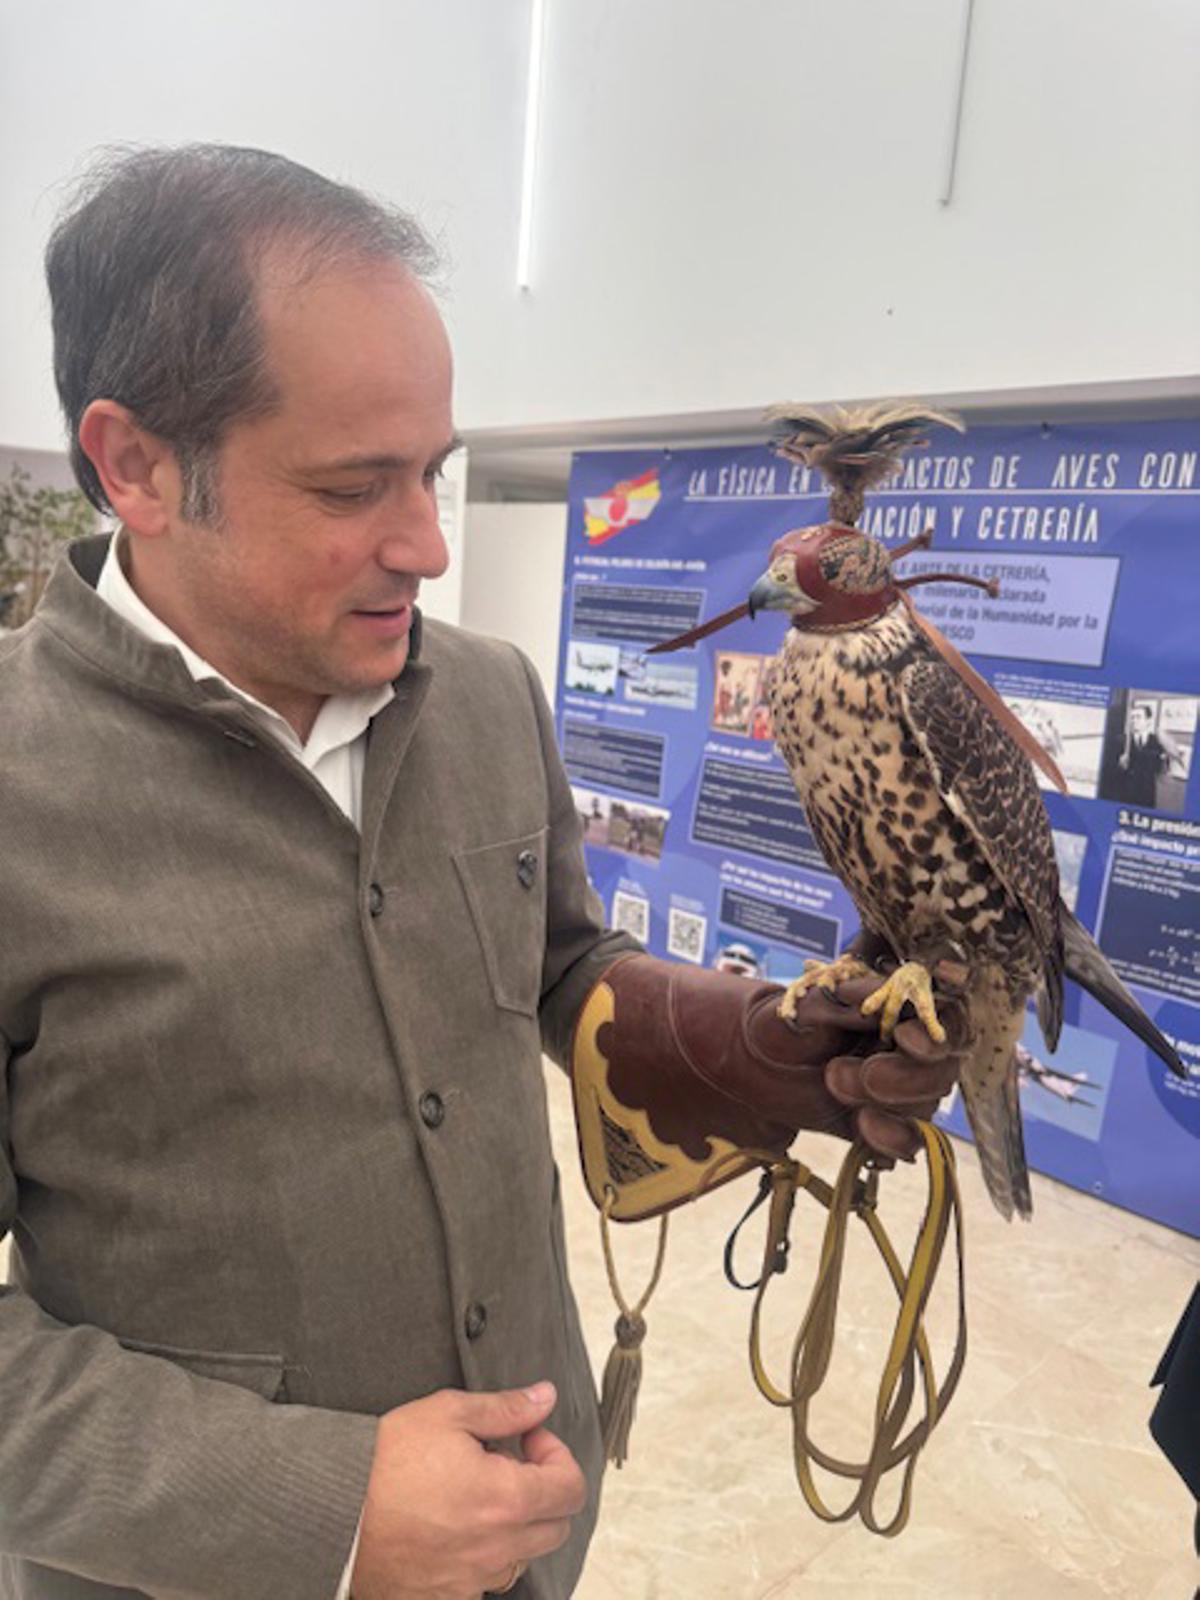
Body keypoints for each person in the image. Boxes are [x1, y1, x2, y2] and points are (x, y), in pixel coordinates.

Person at [0, 145, 961, 1600]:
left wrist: (750, 1049)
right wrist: (314, 1511)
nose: (428, 544)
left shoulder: (493, 697)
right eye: (351, 487)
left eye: (436, 472)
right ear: (134, 465)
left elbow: (560, 969)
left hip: (536, 1528)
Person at [1118, 702, 1183, 808]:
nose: (1134, 721)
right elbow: (1112, 771)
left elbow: (1161, 769)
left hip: (1146, 795)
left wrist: (1165, 759)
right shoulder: (1122, 740)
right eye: (1132, 717)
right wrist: (1120, 764)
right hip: (1125, 795)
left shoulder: (1157, 741)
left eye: (1138, 717)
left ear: (1148, 720)